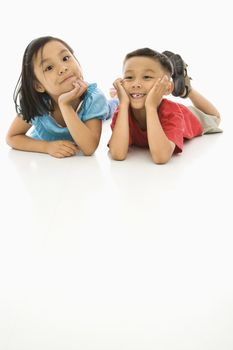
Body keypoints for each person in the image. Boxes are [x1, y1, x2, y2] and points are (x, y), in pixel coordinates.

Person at [108, 48, 222, 164]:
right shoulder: (122, 112)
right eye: (129, 77)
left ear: (167, 88)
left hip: (188, 116)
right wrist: (123, 104)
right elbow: (117, 154)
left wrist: (151, 107)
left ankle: (187, 90)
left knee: (215, 118)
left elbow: (161, 157)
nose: (136, 84)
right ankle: (182, 88)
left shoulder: (173, 113)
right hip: (166, 109)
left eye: (147, 77)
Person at [6, 36, 110, 158]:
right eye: (49, 67)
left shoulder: (93, 98)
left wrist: (65, 105)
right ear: (38, 86)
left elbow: (89, 148)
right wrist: (47, 147)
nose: (63, 68)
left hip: (102, 106)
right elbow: (12, 137)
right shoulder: (37, 105)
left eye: (66, 58)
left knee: (111, 106)